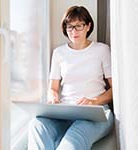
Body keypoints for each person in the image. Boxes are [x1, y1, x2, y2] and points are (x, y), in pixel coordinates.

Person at [28, 6, 114, 150]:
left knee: (74, 138)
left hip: (96, 113)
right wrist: (54, 99)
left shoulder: (102, 50)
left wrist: (94, 101)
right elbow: (53, 88)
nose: (73, 31)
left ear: (88, 26)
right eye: (69, 27)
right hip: (65, 111)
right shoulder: (59, 53)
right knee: (36, 125)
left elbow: (115, 89)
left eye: (78, 26)